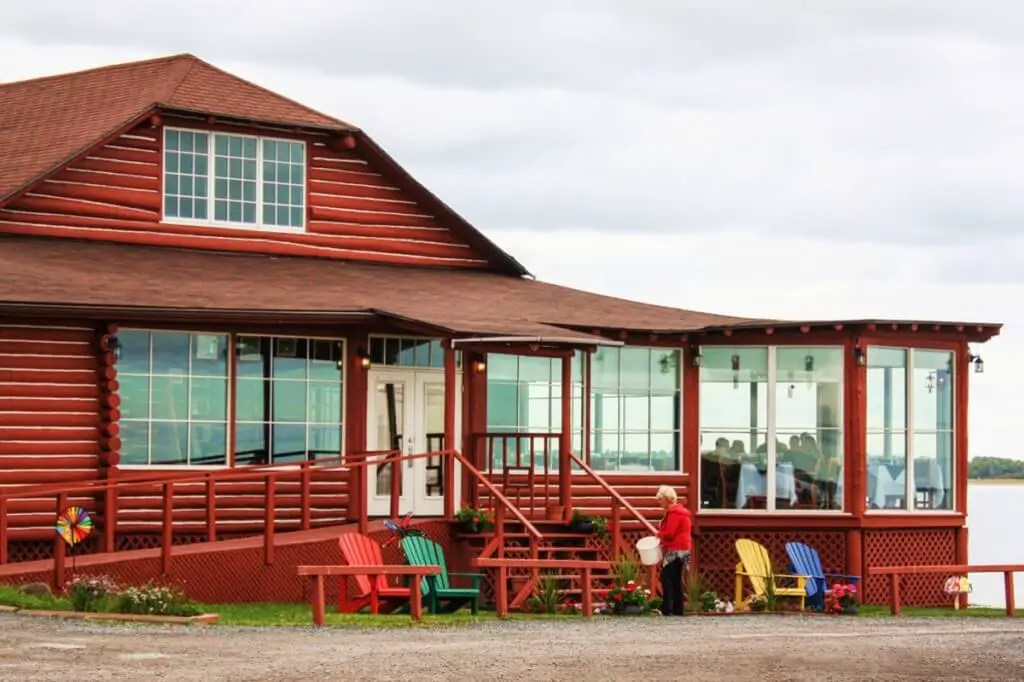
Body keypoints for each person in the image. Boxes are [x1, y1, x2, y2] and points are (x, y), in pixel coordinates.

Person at [655, 485, 692, 616]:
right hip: (685, 548)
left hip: (675, 548)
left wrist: (658, 534)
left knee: (665, 577)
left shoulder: (673, 513)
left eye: (660, 499)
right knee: (676, 578)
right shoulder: (681, 511)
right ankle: (678, 609)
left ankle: (666, 607)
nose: (658, 502)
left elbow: (670, 533)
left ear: (667, 499)